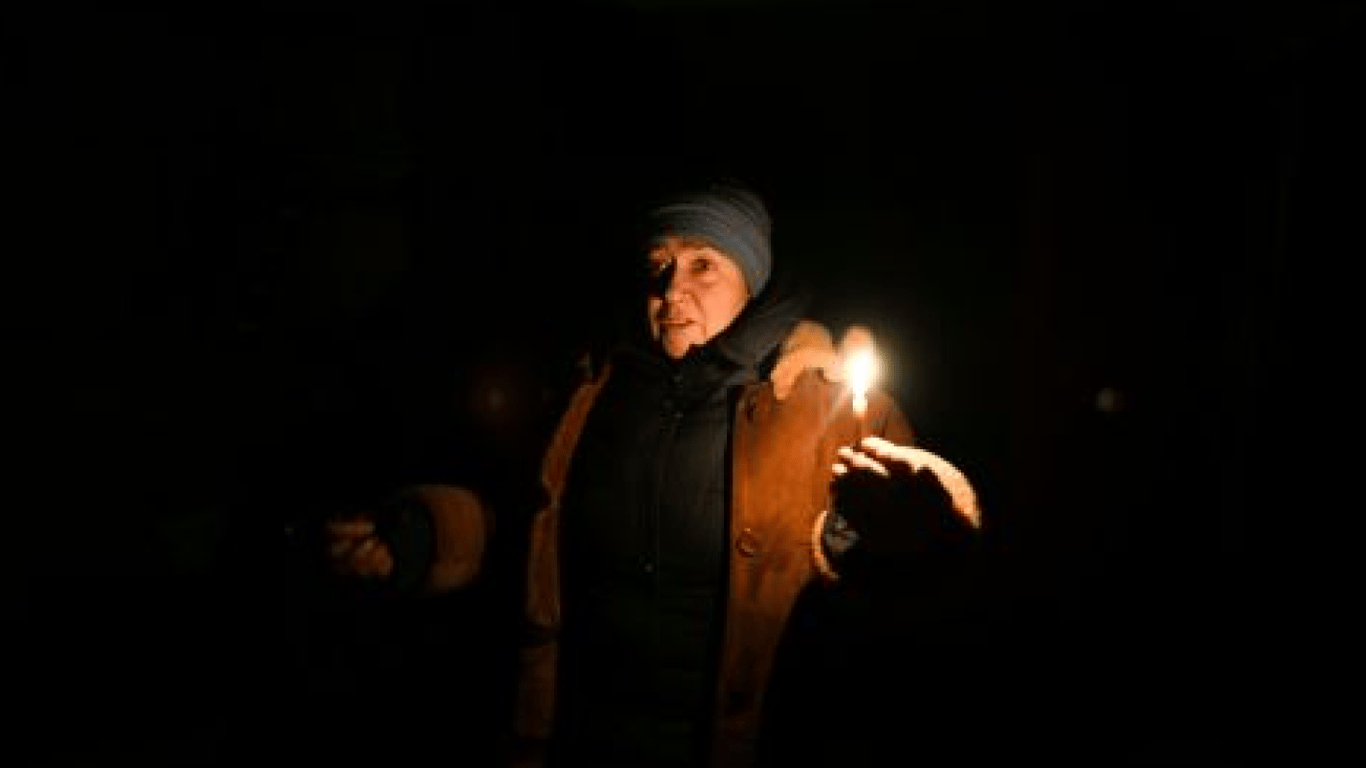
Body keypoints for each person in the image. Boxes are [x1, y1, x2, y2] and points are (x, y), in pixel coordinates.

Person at [325, 177, 984, 768]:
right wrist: (420, 537)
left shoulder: (825, 404)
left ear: (752, 282)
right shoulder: (589, 390)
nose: (672, 290)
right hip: (581, 740)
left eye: (704, 264)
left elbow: (898, 582)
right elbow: (521, 526)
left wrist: (901, 536)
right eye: (659, 264)